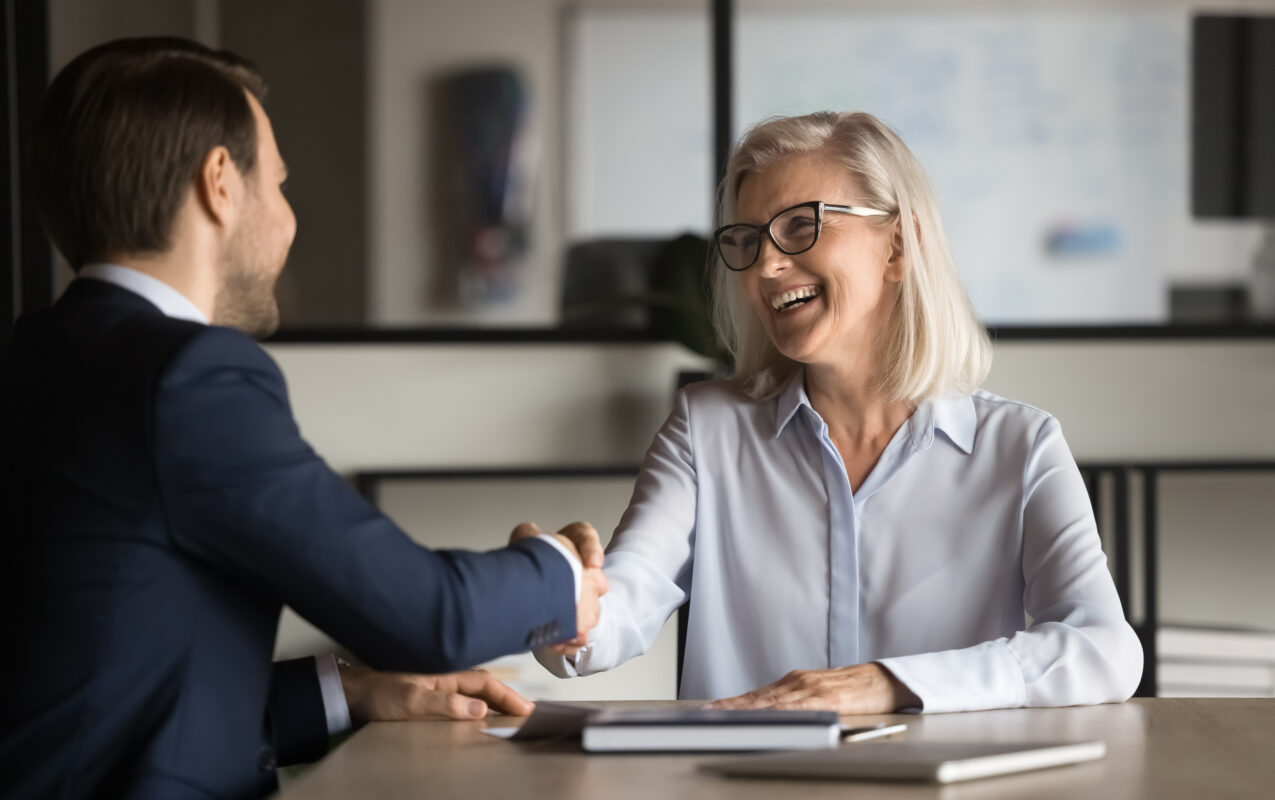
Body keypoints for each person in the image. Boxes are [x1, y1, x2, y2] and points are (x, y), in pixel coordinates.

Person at [0, 37, 607, 800]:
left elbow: (107, 692)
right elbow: (425, 616)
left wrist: (348, 693)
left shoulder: (40, 359)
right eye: (279, 185)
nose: (288, 222)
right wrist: (560, 576)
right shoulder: (187, 375)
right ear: (219, 183)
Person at [537, 111, 1142, 714]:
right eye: (747, 241)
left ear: (898, 247)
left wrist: (889, 684)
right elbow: (619, 608)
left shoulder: (1020, 446)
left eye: (801, 226)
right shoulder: (705, 430)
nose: (767, 267)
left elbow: (1105, 649)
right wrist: (556, 595)